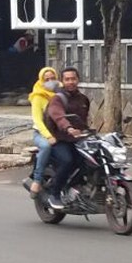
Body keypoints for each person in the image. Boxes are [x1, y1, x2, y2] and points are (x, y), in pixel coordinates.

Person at [42, 66, 91, 210]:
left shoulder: (83, 99)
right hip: (59, 140)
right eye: (67, 79)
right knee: (67, 161)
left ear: (78, 80)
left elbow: (84, 120)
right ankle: (54, 194)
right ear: (62, 81)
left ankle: (75, 187)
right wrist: (68, 128)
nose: (71, 82)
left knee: (91, 161)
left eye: (73, 79)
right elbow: (58, 116)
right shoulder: (57, 99)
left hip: (78, 140)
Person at [25, 66, 59, 194]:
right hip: (41, 133)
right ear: (41, 80)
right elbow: (38, 121)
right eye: (46, 79)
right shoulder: (38, 96)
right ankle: (37, 179)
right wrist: (48, 136)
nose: (50, 82)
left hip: (59, 132)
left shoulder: (61, 93)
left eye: (53, 78)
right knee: (46, 147)